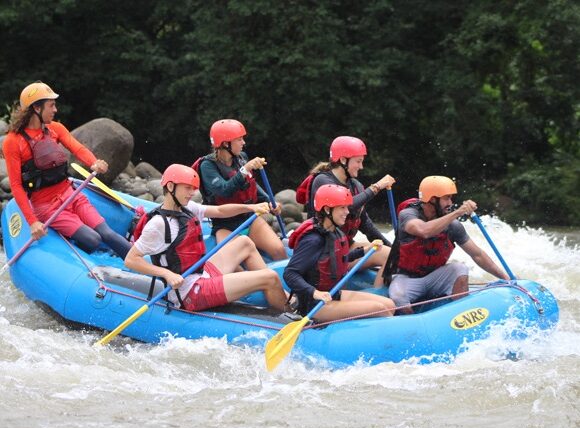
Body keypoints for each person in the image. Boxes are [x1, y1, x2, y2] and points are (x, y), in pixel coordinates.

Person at [125, 164, 289, 312]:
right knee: (270, 277)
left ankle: (278, 292)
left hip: (202, 273)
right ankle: (287, 313)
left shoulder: (187, 208)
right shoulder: (159, 224)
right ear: (170, 186)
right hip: (190, 292)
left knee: (244, 242)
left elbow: (219, 211)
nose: (192, 193)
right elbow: (131, 260)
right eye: (188, 188)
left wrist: (250, 207)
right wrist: (167, 274)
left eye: (193, 188)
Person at [1, 81, 131, 258]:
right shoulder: (13, 142)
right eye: (51, 105)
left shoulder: (55, 129)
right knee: (92, 239)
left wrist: (94, 162)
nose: (55, 110)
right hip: (47, 208)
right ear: (36, 108)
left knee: (107, 234)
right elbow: (16, 185)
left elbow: (78, 149)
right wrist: (32, 222)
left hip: (71, 195)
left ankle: (147, 267)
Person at [384, 176, 510, 314]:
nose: (450, 203)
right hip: (407, 279)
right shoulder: (407, 215)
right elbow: (424, 231)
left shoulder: (453, 226)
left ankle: (462, 314)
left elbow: (477, 254)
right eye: (446, 198)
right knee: (398, 297)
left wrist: (506, 278)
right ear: (432, 199)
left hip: (436, 277)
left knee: (459, 268)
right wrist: (458, 212)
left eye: (451, 198)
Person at [284, 184, 395, 323]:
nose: (347, 212)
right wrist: (315, 293)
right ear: (327, 209)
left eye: (347, 207)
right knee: (380, 309)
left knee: (390, 305)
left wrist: (365, 250)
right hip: (315, 304)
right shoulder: (312, 240)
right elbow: (290, 273)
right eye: (342, 207)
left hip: (333, 295)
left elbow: (338, 259)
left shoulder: (335, 232)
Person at [297, 136, 395, 286]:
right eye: (358, 161)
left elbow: (366, 225)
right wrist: (376, 187)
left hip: (345, 247)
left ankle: (379, 294)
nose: (361, 167)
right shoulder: (323, 181)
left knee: (392, 255)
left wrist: (392, 247)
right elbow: (346, 205)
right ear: (343, 160)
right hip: (324, 252)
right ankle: (378, 304)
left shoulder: (356, 186)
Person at [192, 119, 287, 261]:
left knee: (279, 250)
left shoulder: (241, 158)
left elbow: (251, 184)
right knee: (242, 261)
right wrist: (245, 169)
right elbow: (224, 190)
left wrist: (270, 202)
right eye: (239, 139)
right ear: (225, 143)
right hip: (225, 226)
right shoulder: (207, 166)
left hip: (249, 219)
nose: (243, 143)